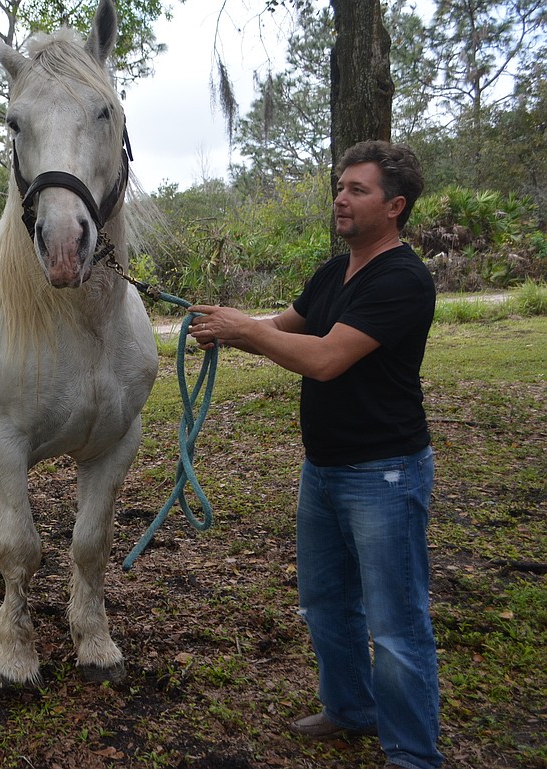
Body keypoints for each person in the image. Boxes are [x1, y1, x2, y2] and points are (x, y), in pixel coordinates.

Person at [189, 140, 442, 769]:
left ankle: (412, 754)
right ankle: (350, 709)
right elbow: (285, 327)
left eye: (358, 189)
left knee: (396, 624)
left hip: (385, 473)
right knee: (326, 602)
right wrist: (228, 324)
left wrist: (245, 330)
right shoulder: (335, 272)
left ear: (396, 206)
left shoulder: (404, 279)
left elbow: (326, 359)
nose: (342, 198)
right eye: (341, 186)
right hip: (323, 469)